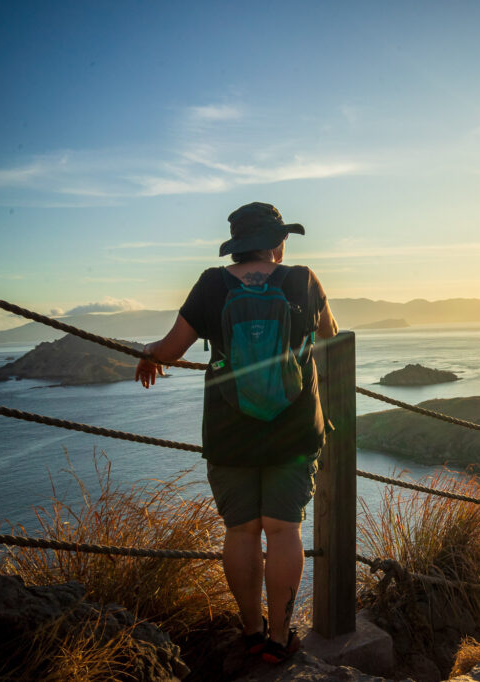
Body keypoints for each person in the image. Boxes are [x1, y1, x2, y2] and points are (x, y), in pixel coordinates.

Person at [135, 202, 338, 664]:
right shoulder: (303, 279)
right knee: (284, 530)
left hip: (230, 431)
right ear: (276, 242)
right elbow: (331, 336)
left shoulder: (212, 284)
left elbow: (170, 349)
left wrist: (149, 352)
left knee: (242, 531)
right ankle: (280, 639)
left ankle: (251, 631)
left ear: (237, 245)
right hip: (293, 430)